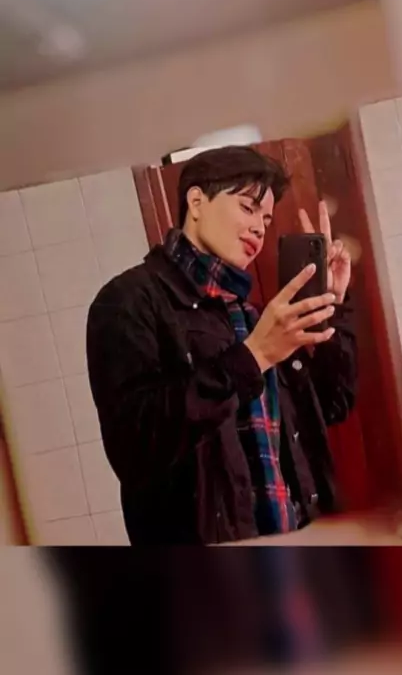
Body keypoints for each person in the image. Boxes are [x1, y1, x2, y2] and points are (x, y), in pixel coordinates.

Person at [86, 146, 357, 544]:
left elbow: (332, 404)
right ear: (196, 202)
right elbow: (135, 446)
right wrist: (254, 356)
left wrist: (335, 304)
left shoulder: (253, 318)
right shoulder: (128, 300)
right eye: (248, 208)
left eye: (266, 219)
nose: (260, 229)